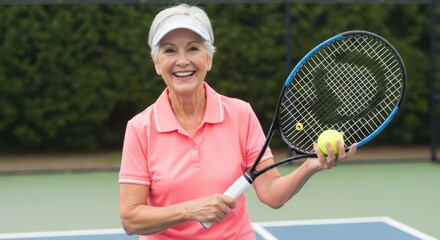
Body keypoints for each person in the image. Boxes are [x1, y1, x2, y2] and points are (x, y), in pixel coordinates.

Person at [118, 3, 357, 240]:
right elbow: (130, 219)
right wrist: (190, 210)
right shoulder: (140, 128)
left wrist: (309, 166)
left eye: (193, 49)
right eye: (169, 50)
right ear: (156, 62)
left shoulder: (240, 114)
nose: (182, 60)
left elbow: (271, 194)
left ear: (208, 59)